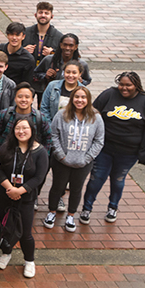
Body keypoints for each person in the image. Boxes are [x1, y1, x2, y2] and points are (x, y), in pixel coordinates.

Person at [80, 72, 145, 224]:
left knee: (118, 180)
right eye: (121, 84)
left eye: (128, 85)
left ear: (136, 85)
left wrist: (144, 154)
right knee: (96, 179)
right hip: (104, 149)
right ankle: (86, 208)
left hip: (128, 153)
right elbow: (92, 115)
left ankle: (113, 207)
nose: (124, 88)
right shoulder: (109, 95)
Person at [0, 118, 49, 277]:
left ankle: (29, 260)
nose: (21, 131)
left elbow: (39, 177)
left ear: (32, 130)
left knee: (25, 232)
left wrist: (20, 191)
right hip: (5, 195)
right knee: (6, 226)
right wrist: (10, 188)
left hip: (26, 199)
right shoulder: (6, 147)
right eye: (18, 128)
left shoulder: (41, 152)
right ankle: (6, 253)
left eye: (25, 128)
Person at [45, 85, 104, 232]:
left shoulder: (96, 117)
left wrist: (87, 158)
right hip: (62, 161)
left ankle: (71, 215)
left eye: (83, 97)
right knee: (57, 187)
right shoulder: (62, 114)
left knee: (77, 189)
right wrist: (60, 155)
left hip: (83, 162)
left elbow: (99, 141)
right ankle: (51, 212)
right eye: (77, 97)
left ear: (88, 100)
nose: (80, 100)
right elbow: (53, 135)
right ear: (72, 99)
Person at [0, 83, 52, 153]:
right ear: (15, 98)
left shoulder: (40, 117)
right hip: (6, 157)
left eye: (27, 97)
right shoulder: (5, 115)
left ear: (32, 99)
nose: (23, 100)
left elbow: (48, 139)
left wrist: (43, 156)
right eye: (20, 96)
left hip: (31, 158)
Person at [0, 22, 36, 87]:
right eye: (11, 34)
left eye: (17, 35)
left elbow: (27, 83)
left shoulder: (28, 59)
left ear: (23, 36)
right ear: (7, 35)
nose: (14, 38)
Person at [40, 60, 84, 125]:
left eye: (74, 73)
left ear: (80, 74)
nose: (70, 75)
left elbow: (86, 112)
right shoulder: (52, 86)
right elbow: (44, 108)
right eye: (68, 72)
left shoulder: (84, 90)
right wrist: (50, 126)